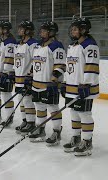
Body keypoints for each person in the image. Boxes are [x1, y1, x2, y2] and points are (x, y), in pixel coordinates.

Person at [62, 18, 100, 156]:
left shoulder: (89, 45)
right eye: (71, 29)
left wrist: (87, 84)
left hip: (84, 88)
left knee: (84, 114)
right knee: (74, 113)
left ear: (83, 30)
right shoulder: (73, 46)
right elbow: (69, 68)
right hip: (72, 88)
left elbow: (92, 66)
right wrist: (65, 82)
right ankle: (76, 138)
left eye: (75, 29)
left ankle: (87, 141)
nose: (72, 31)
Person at [28, 21, 66, 146]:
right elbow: (35, 63)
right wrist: (30, 75)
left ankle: (56, 132)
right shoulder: (39, 46)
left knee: (53, 107)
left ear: (51, 32)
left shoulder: (56, 46)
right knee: (39, 106)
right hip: (37, 83)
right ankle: (40, 129)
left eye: (44, 31)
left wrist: (54, 80)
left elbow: (61, 65)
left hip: (49, 84)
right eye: (41, 30)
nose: (41, 33)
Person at [13, 20, 38, 135]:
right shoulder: (19, 44)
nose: (19, 30)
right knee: (21, 100)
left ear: (27, 30)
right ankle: (25, 121)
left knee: (27, 101)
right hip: (18, 78)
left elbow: (35, 61)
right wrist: (13, 72)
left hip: (27, 78)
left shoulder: (33, 44)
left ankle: (31, 123)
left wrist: (31, 75)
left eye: (21, 28)